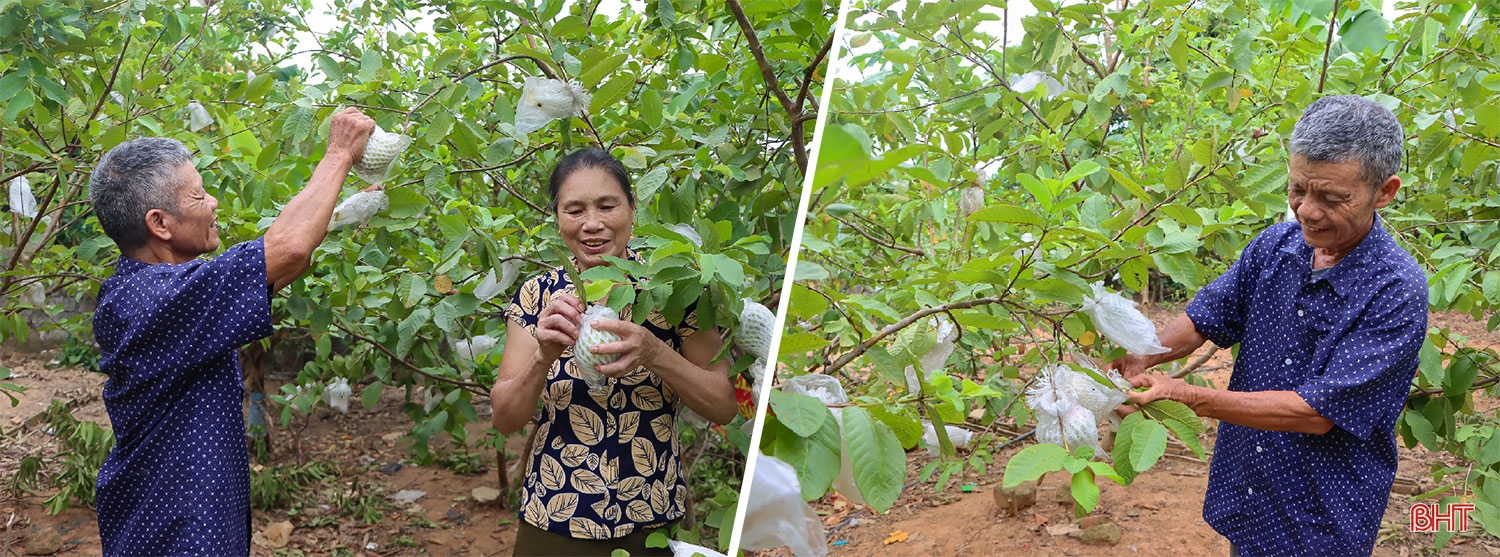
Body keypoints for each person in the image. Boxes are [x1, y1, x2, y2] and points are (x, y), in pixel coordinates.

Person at [1106, 95, 1426, 556]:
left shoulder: (1395, 290)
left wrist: (1188, 395)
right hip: (1251, 489)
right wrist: (1144, 351)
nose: (1307, 211)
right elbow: (1208, 315)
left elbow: (1316, 413)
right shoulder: (1277, 246)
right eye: (1298, 189)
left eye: (1332, 198)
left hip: (1322, 511)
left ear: (1385, 191)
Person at [88, 108, 376, 555]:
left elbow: (286, 261)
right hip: (176, 532)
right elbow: (288, 248)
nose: (214, 203)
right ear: (159, 223)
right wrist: (339, 153)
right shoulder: (156, 300)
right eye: (200, 196)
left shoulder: (158, 291)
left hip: (184, 518)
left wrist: (341, 209)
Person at [490, 148, 737, 557]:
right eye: (574, 210)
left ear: (632, 209)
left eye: (608, 206)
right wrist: (543, 355)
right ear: (557, 217)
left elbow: (724, 404)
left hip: (649, 514)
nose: (592, 224)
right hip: (555, 515)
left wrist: (654, 351)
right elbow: (504, 418)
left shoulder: (674, 287)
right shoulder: (537, 296)